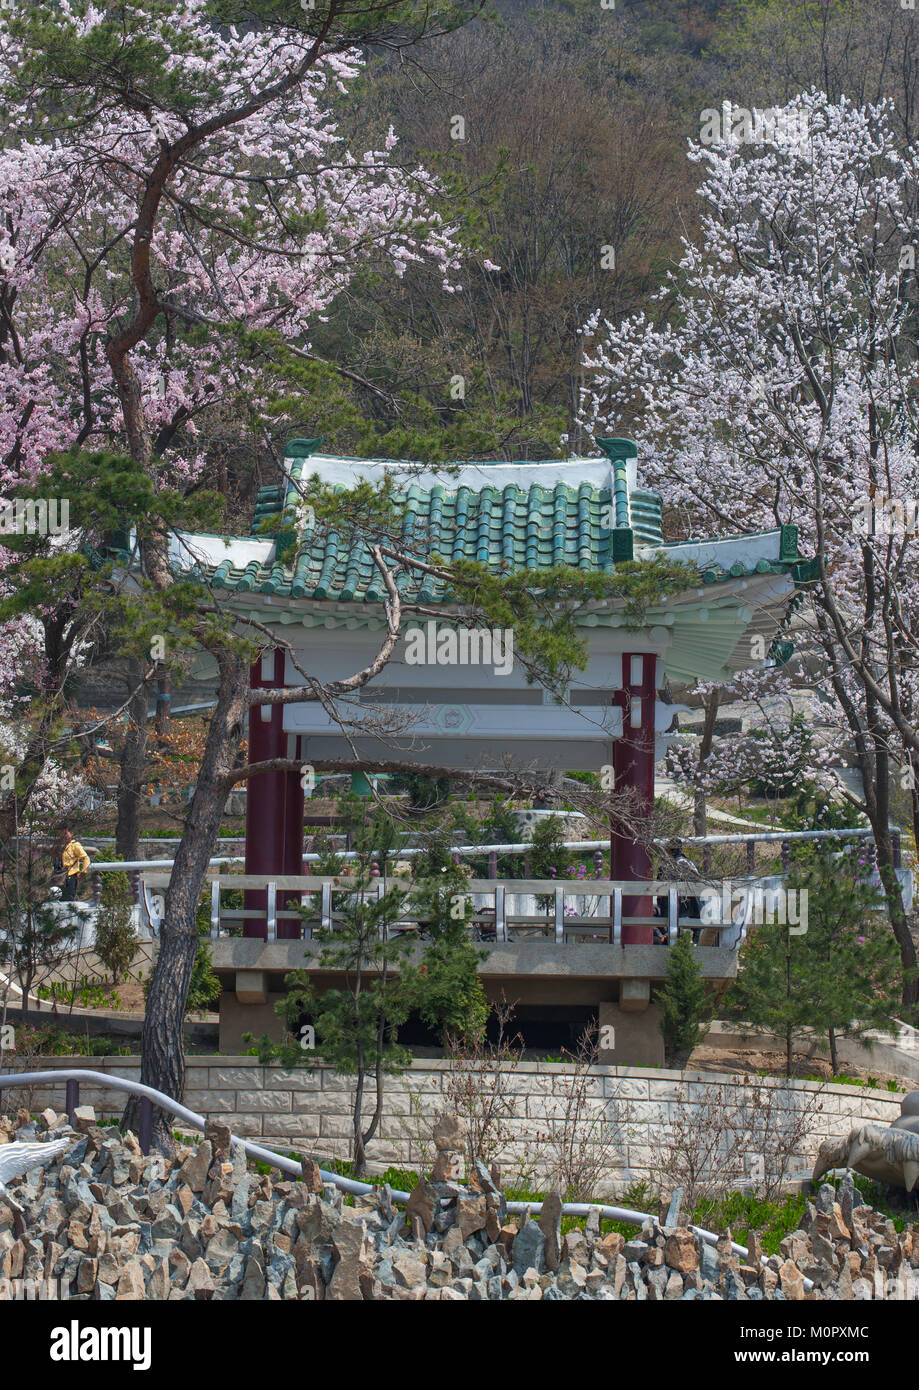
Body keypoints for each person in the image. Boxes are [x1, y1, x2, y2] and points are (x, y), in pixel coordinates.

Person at [654, 838, 703, 944]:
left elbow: (660, 888)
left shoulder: (669, 866)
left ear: (668, 850)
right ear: (681, 849)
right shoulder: (691, 864)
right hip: (696, 906)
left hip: (679, 906)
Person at [59, 826, 90, 903]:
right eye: (62, 833)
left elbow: (85, 858)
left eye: (66, 833)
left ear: (71, 834)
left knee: (69, 899)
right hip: (60, 876)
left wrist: (83, 871)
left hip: (70, 875)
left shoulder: (74, 845)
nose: (64, 835)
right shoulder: (60, 846)